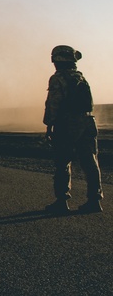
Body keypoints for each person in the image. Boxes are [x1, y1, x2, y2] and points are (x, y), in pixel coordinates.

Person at [43, 45, 103, 214]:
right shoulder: (80, 77)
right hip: (89, 121)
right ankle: (94, 200)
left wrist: (49, 125)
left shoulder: (58, 78)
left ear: (57, 60)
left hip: (68, 123)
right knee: (90, 162)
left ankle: (62, 201)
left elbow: (53, 103)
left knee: (62, 161)